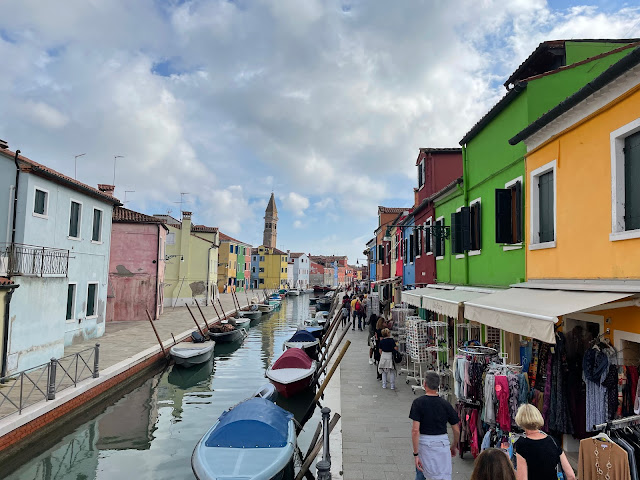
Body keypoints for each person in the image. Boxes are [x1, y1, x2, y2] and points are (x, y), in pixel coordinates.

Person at [410, 372, 460, 480]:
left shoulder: (418, 403)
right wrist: (453, 445)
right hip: (442, 443)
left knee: (421, 474)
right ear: (438, 386)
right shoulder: (446, 404)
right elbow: (456, 429)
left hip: (425, 443)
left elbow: (415, 430)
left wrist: (416, 454)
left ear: (425, 384)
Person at [514, 404, 575, 480]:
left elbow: (522, 478)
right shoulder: (553, 441)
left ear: (520, 420)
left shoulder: (522, 444)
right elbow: (571, 475)